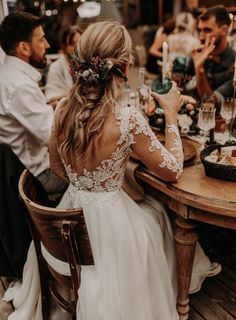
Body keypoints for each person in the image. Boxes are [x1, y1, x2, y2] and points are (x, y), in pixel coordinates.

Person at [5, 20, 184, 320]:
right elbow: (174, 169)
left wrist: (83, 185)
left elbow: (54, 165)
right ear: (123, 68)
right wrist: (170, 114)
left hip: (68, 223)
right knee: (160, 217)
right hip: (111, 231)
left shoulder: (62, 109)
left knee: (152, 213)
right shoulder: (127, 119)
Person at [0, 12, 66, 194]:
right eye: (42, 40)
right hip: (38, 177)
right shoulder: (21, 85)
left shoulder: (5, 76)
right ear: (24, 48)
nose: (47, 45)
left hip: (18, 171)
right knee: (102, 177)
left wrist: (54, 108)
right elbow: (54, 137)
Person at [185, 5, 236, 103]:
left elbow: (210, 103)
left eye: (207, 30)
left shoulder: (233, 63)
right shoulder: (198, 54)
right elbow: (181, 85)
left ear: (224, 30)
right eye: (200, 30)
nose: (201, 36)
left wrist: (199, 70)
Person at [45, 25, 81, 102]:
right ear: (64, 47)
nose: (76, 48)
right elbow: (50, 98)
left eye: (79, 43)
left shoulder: (89, 64)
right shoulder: (56, 67)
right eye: (72, 44)